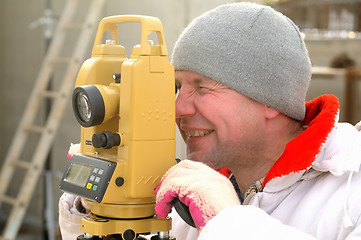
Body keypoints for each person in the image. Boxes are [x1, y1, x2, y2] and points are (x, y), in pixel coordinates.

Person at [59, 2, 361, 239]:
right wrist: (94, 214)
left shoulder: (350, 192)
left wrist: (227, 221)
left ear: (270, 100)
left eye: (202, 87)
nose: (178, 109)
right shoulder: (183, 192)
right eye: (177, 88)